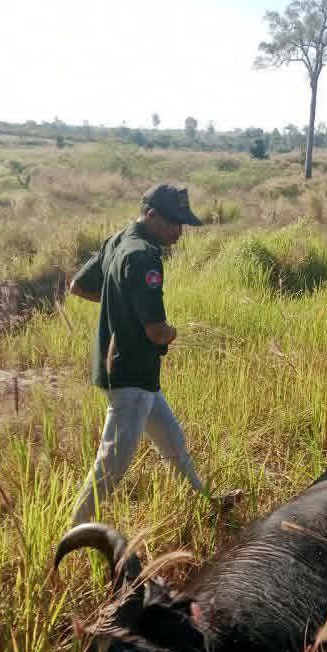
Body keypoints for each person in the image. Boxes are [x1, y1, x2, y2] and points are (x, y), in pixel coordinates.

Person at [67, 183, 239, 525]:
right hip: (131, 376)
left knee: (173, 441)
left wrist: (119, 300)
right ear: (151, 214)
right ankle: (72, 534)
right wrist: (172, 333)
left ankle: (206, 505)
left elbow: (79, 285)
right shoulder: (144, 256)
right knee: (110, 466)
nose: (179, 231)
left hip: (135, 374)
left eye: (182, 223)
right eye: (173, 222)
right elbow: (157, 331)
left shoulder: (117, 240)